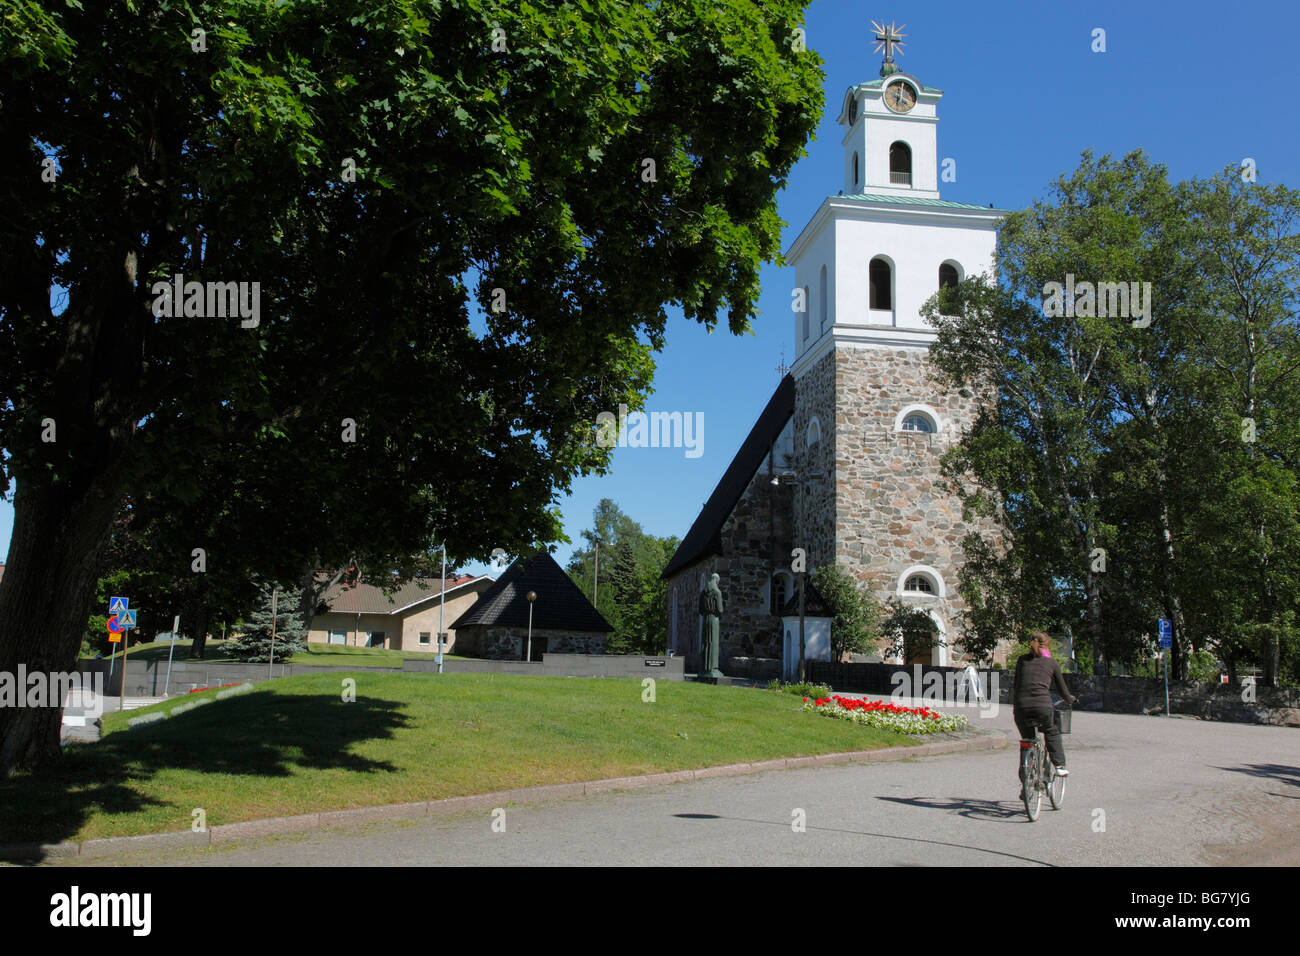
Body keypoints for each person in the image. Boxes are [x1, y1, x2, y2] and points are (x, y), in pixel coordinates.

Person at [1013, 630, 1077, 798]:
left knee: (1026, 741)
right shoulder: (1052, 663)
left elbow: (1016, 684)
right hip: (1042, 707)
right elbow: (1062, 690)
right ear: (1047, 646)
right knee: (1051, 730)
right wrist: (1069, 699)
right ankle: (1059, 766)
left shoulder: (1021, 661)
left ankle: (1026, 783)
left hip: (1021, 707)